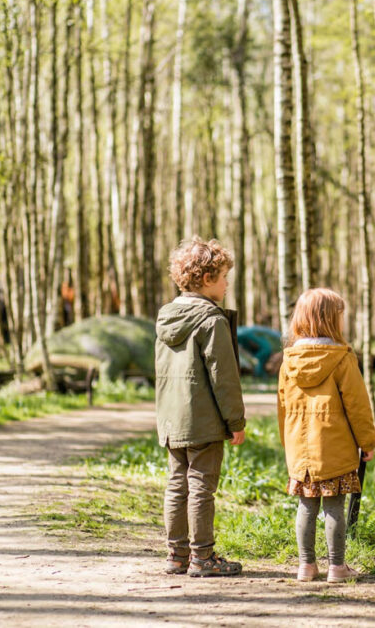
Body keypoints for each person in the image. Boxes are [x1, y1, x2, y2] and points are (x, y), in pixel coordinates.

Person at [155, 237, 246, 578]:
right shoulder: (212, 320)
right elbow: (225, 377)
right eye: (223, 277)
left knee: (177, 485)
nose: (226, 284)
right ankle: (202, 557)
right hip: (204, 420)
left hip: (171, 419)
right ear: (207, 278)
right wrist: (235, 420)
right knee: (201, 486)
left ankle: (176, 554)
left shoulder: (167, 316)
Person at [277, 288, 375, 583]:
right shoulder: (342, 359)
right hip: (334, 447)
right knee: (334, 505)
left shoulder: (288, 360)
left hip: (300, 449)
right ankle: (337, 567)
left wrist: (288, 443)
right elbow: (358, 406)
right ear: (333, 320)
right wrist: (367, 442)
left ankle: (306, 566)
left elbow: (282, 407)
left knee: (306, 505)